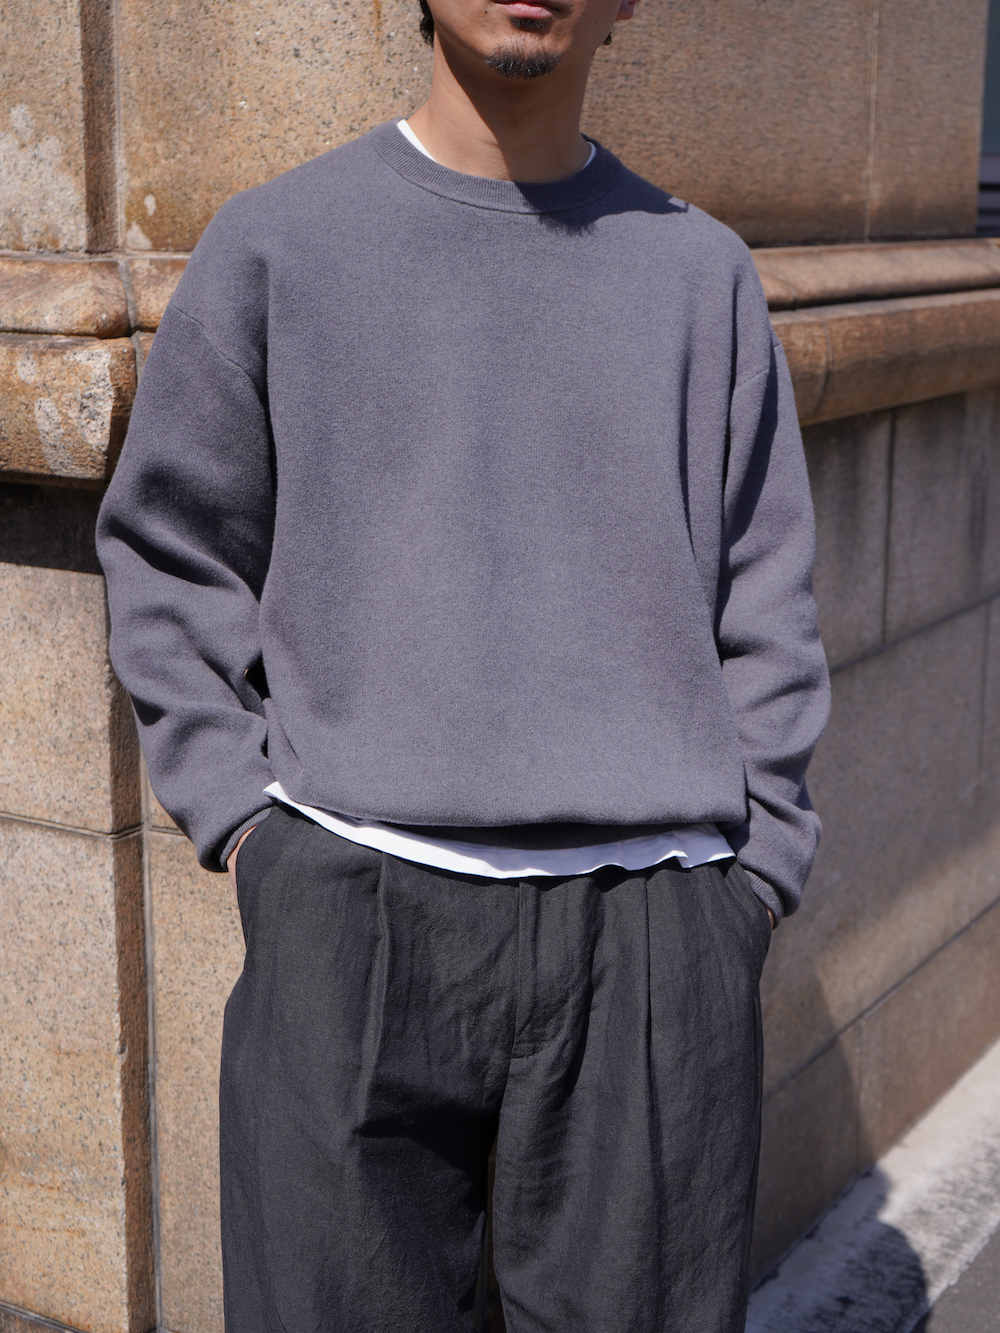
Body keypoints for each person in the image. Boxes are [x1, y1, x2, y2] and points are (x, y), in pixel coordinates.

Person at [97, 0, 831, 1326]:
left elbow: (767, 593)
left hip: (654, 930)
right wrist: (250, 828)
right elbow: (171, 552)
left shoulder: (700, 272)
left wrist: (753, 879)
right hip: (351, 909)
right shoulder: (279, 245)